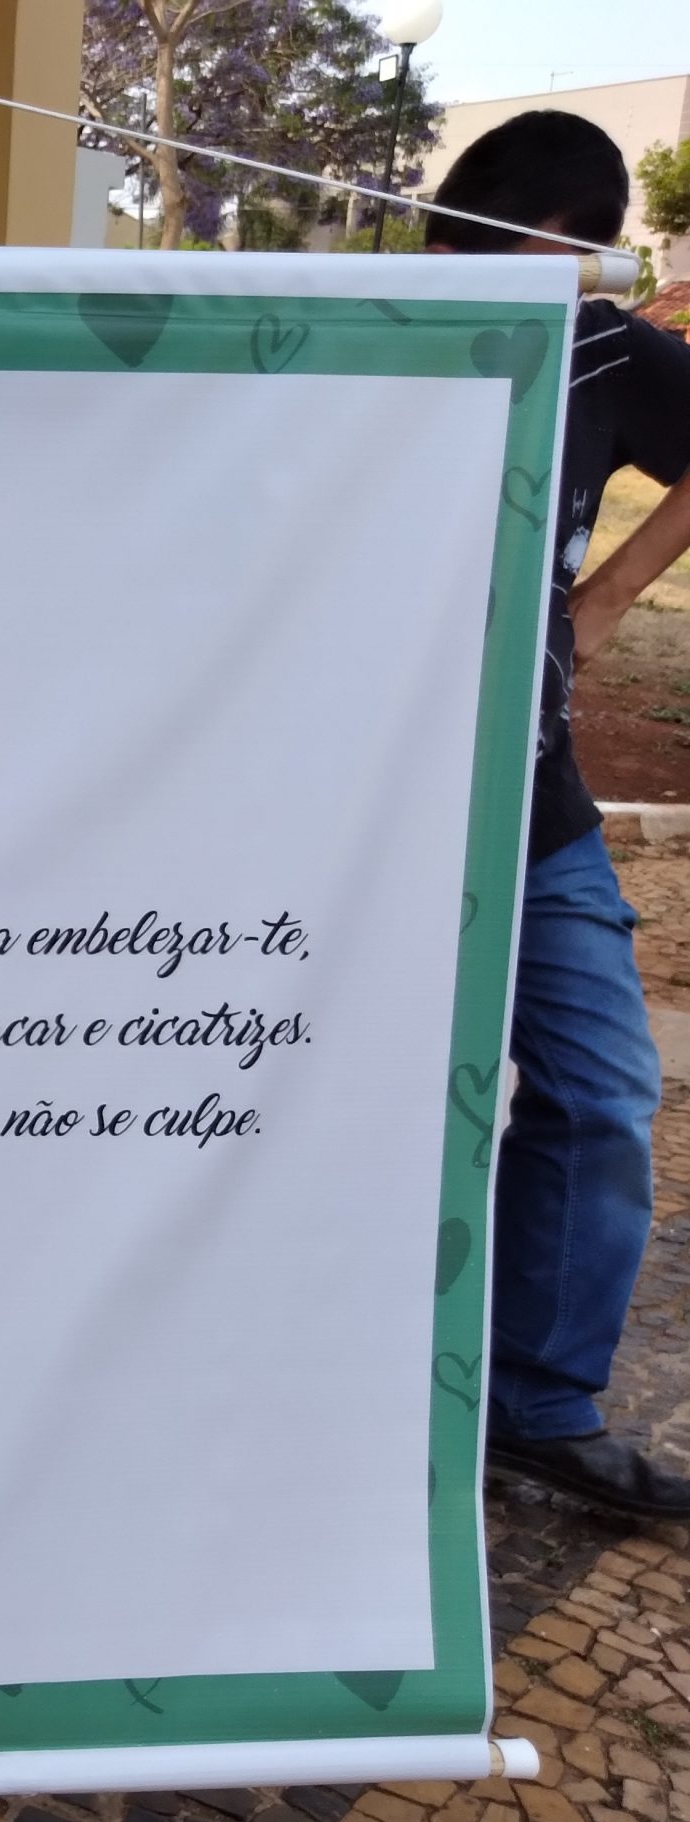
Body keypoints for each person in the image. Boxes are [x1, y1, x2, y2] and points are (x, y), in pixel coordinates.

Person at [426, 112, 690, 1520]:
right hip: (352, 812)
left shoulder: (598, 347)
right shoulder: (366, 331)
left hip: (534, 799)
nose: (504, 272)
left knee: (601, 1093)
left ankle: (535, 1403)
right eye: (476, 241)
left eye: (551, 253)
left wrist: (614, 592)